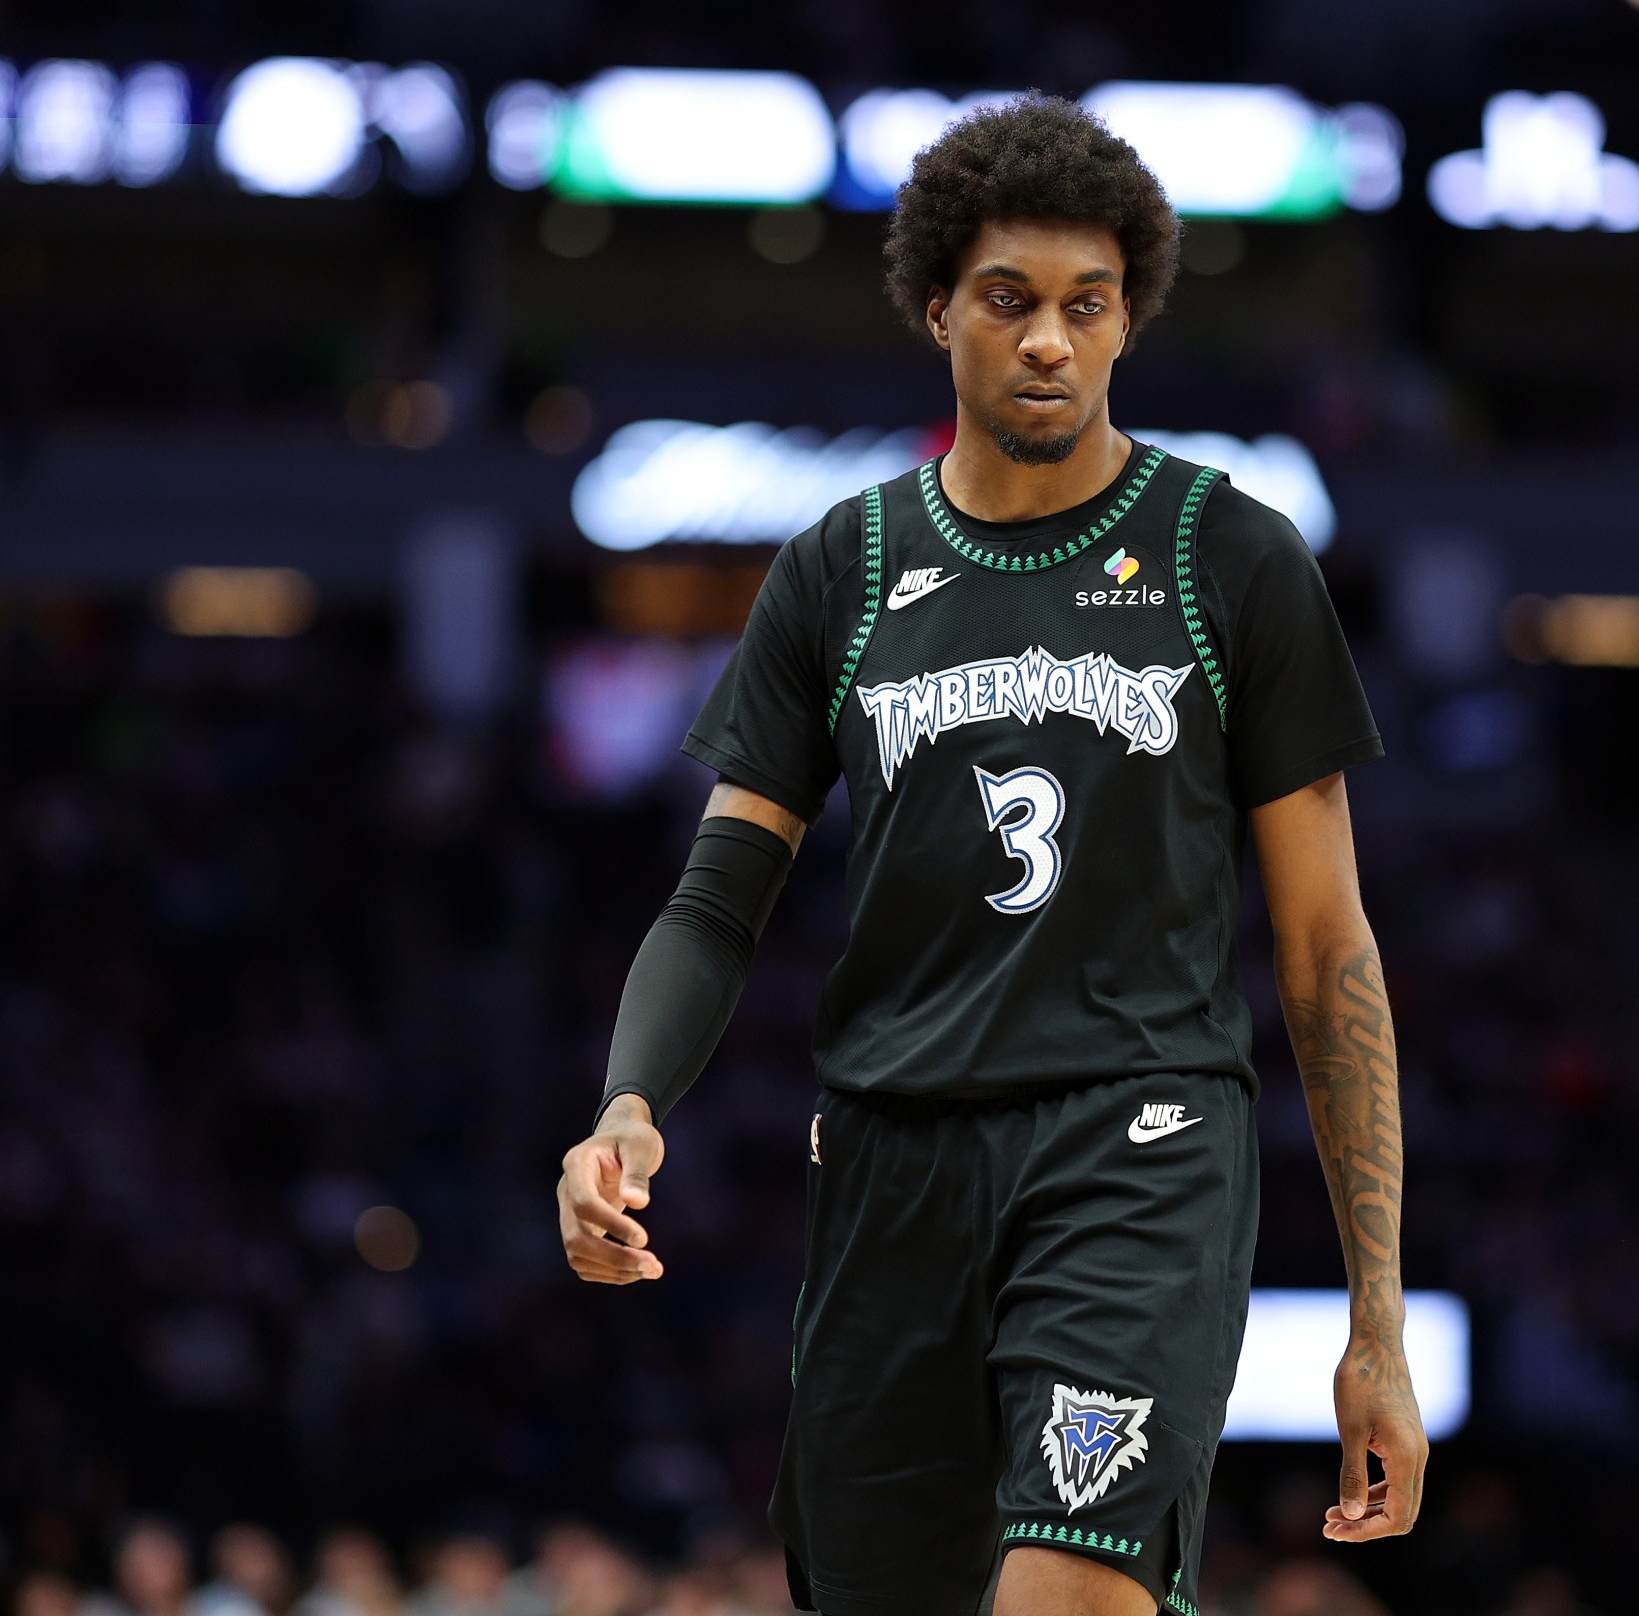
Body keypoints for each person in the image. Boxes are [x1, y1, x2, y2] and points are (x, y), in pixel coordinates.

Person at [557, 93, 1426, 1616]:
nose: (1049, 341)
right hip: (891, 1160)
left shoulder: (1230, 557)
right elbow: (717, 899)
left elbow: (1326, 953)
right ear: (938, 308)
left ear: (1126, 323)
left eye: (1088, 307)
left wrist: (1377, 1318)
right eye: (1012, 301)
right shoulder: (846, 565)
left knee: (1066, 1593)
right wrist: (627, 1102)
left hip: (1136, 1143)